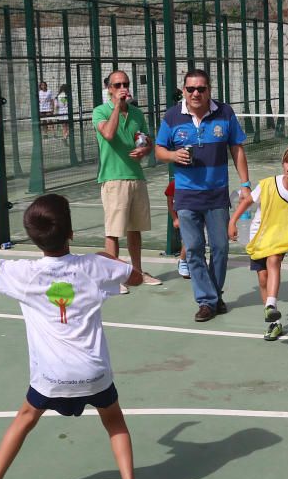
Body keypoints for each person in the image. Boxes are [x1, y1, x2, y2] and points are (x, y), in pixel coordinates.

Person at [0, 192, 146, 479]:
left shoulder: (25, 273)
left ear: (33, 238)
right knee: (114, 422)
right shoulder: (95, 265)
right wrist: (110, 257)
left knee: (25, 419)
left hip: (50, 376)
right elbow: (136, 277)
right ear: (71, 233)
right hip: (94, 372)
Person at [155, 68, 251, 323]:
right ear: (184, 91)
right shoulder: (173, 116)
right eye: (190, 89)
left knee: (220, 247)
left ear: (209, 90)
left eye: (201, 88)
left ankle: (213, 294)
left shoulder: (225, 113)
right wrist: (173, 156)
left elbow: (237, 149)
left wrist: (246, 184)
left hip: (217, 194)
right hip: (186, 196)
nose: (196, 93)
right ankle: (207, 301)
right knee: (195, 249)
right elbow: (158, 150)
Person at [228, 146, 288, 340]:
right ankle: (274, 322)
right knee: (263, 279)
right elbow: (247, 202)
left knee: (274, 261)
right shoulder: (268, 184)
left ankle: (271, 304)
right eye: (287, 161)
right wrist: (232, 221)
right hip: (260, 236)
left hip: (280, 238)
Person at [93, 70, 161, 291]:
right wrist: (116, 108)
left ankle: (137, 272)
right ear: (109, 89)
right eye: (118, 84)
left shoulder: (136, 113)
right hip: (113, 179)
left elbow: (145, 139)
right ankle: (112, 277)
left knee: (135, 229)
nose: (123, 87)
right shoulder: (100, 112)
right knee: (113, 231)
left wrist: (144, 149)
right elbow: (109, 135)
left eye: (125, 83)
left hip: (136, 177)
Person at [164, 179, 189, 279]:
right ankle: (183, 261)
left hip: (198, 216)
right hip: (183, 217)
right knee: (188, 241)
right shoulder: (174, 183)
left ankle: (195, 263)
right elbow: (170, 203)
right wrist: (175, 219)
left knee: (198, 241)